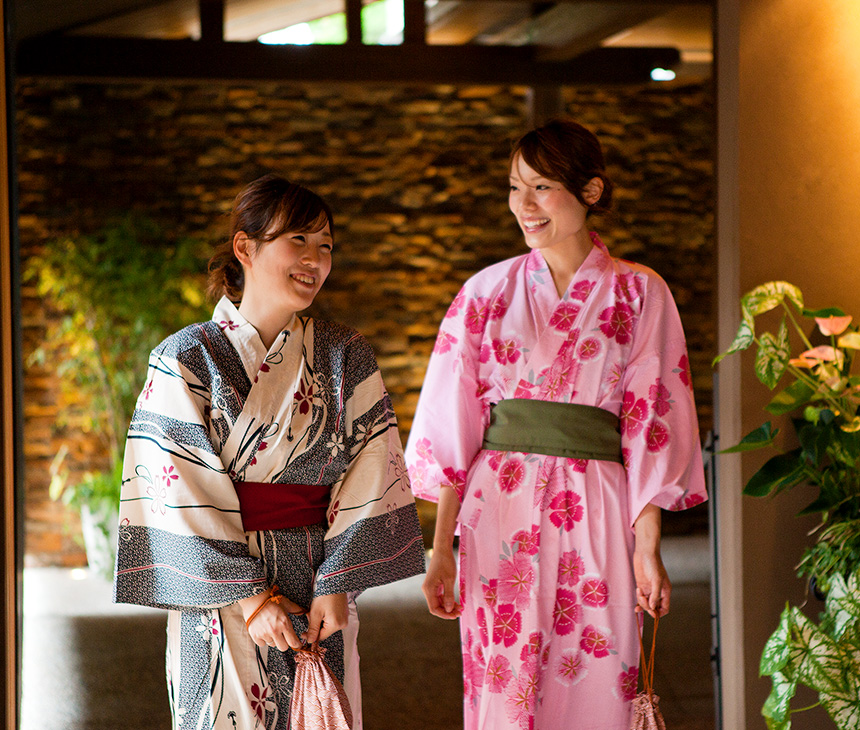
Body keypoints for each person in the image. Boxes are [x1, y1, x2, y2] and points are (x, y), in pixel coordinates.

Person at [405, 120, 707, 729]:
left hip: (598, 503)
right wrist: (441, 550)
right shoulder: (484, 292)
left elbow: (650, 422)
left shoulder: (641, 294)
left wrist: (648, 549)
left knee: (598, 674)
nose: (524, 205)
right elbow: (452, 428)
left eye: (541, 187)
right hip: (499, 509)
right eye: (516, 188)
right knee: (503, 679)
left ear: (591, 191)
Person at [114, 174, 426, 730]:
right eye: (298, 241)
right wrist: (253, 598)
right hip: (221, 602)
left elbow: (372, 471)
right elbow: (172, 491)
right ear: (245, 247)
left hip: (320, 589)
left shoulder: (345, 355)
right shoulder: (186, 358)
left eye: (325, 245)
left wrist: (337, 584)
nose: (315, 259)